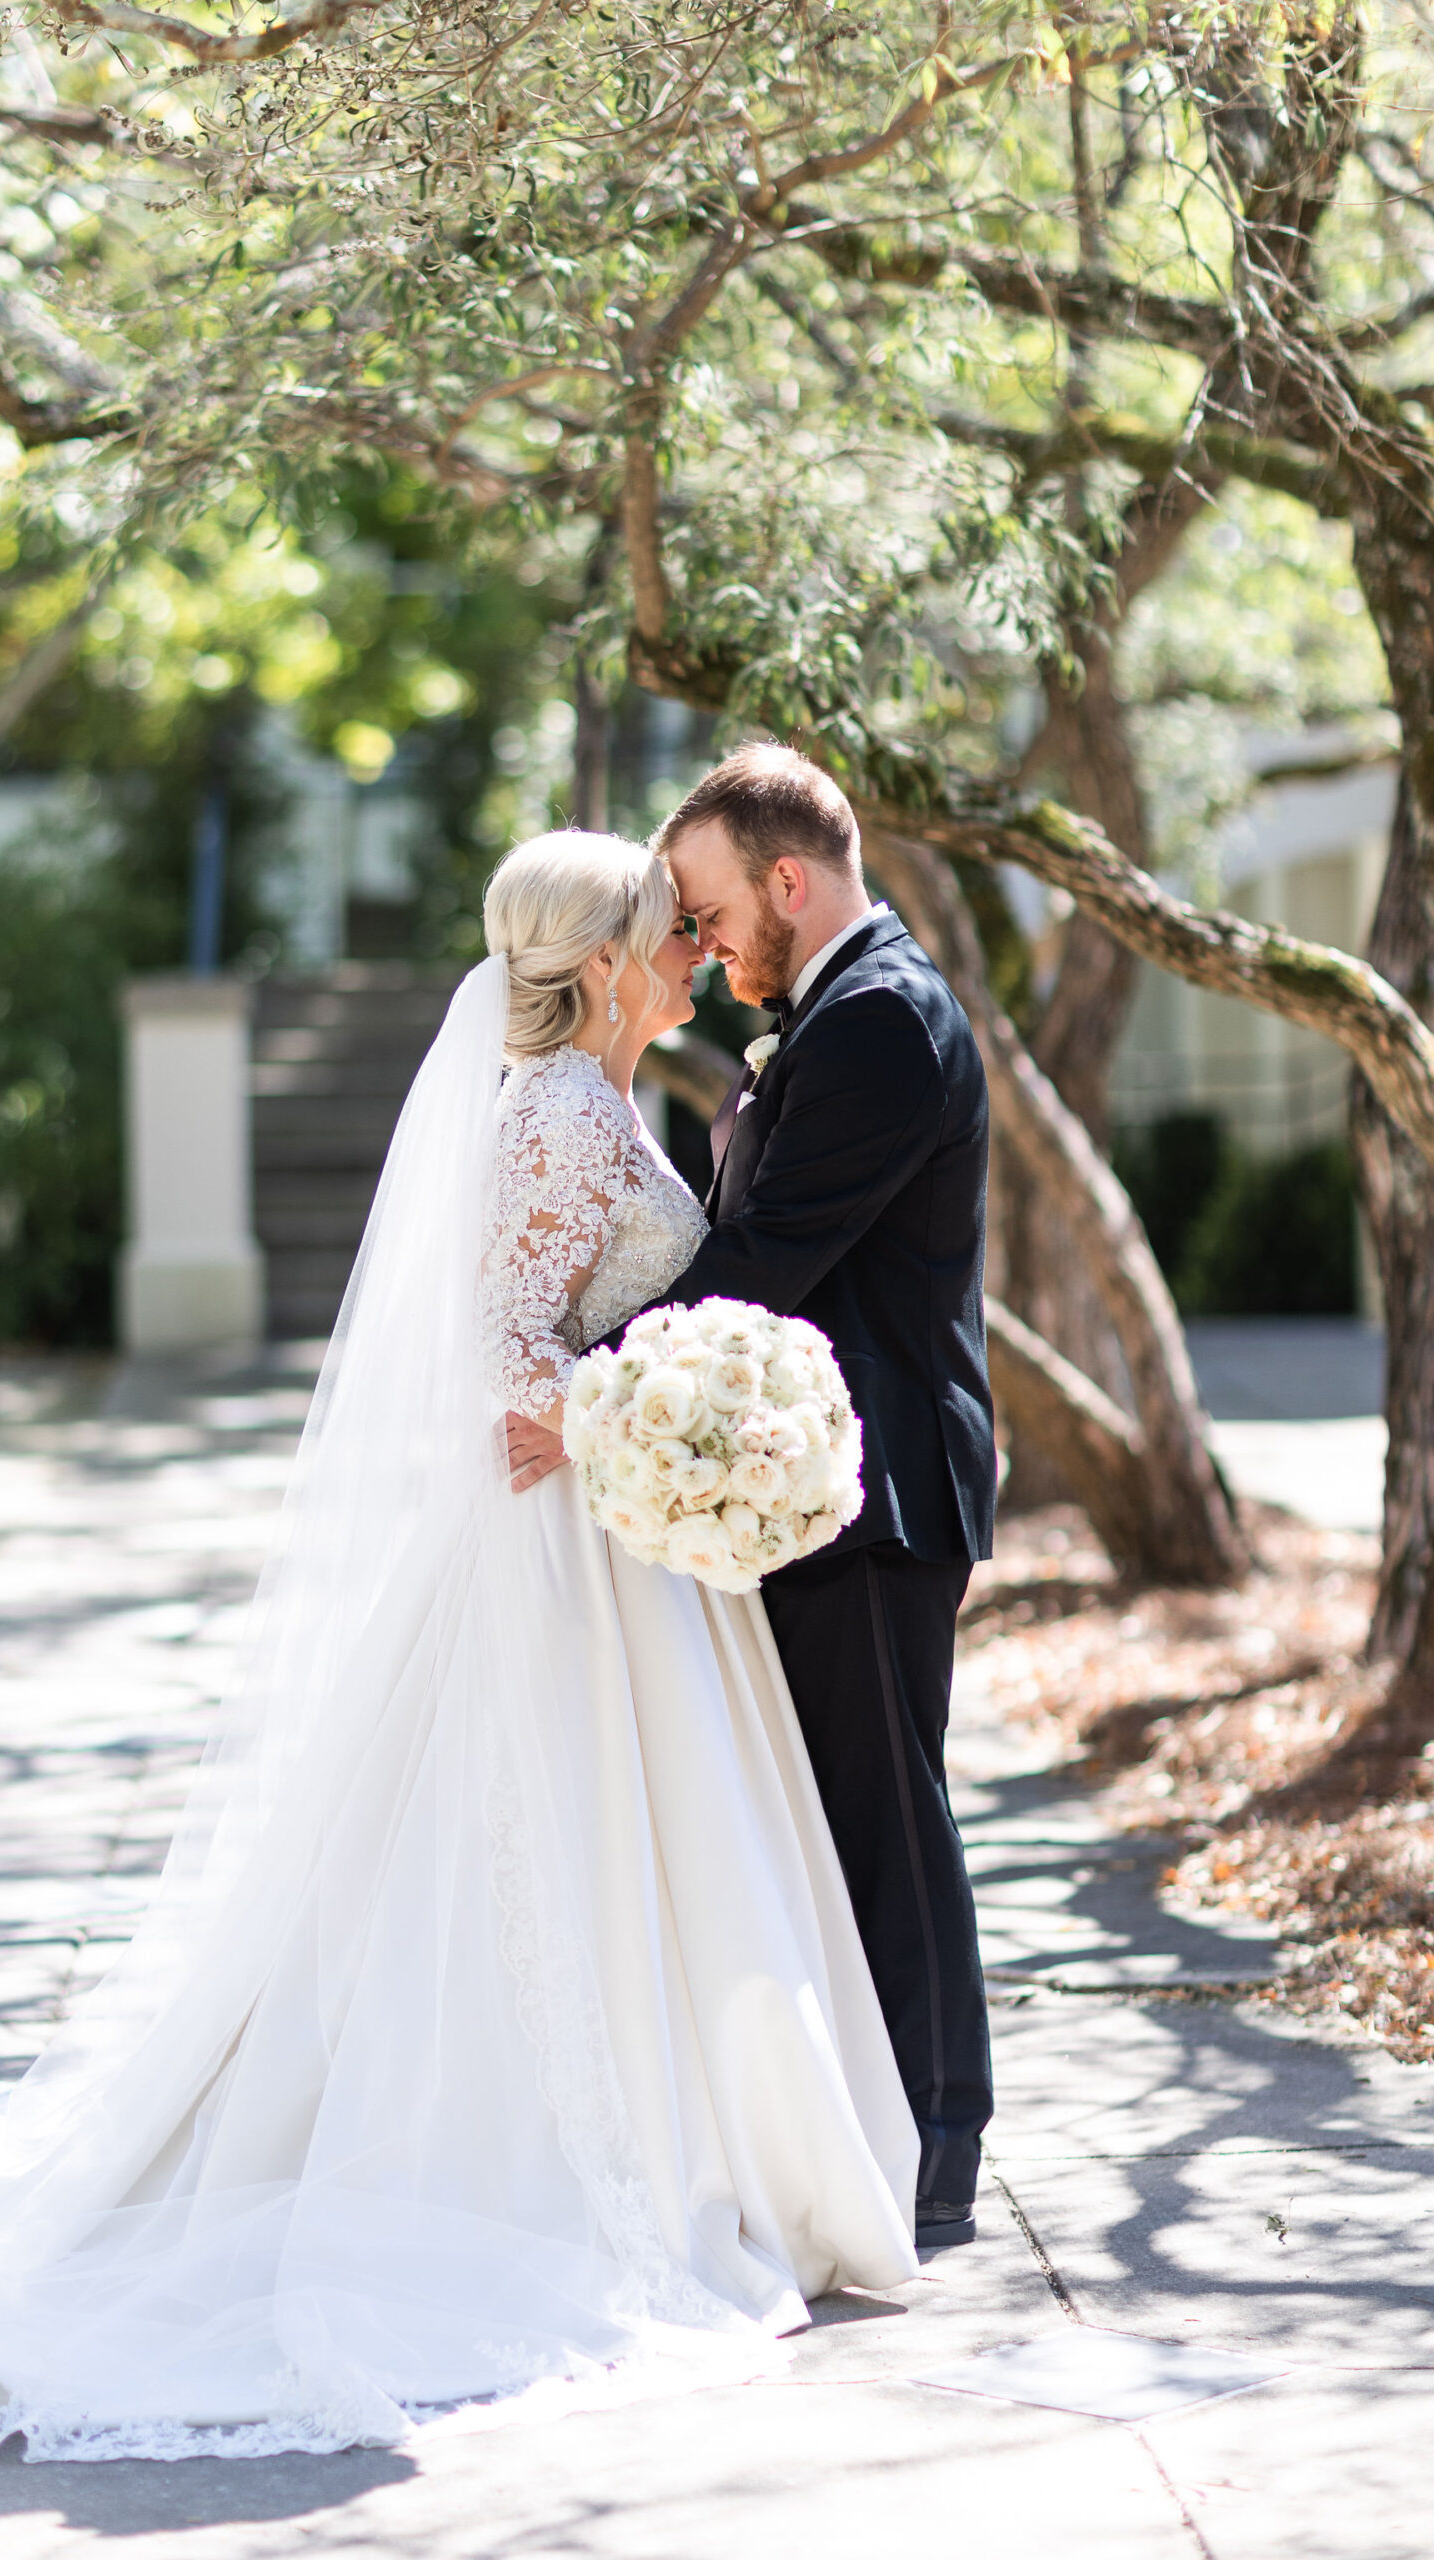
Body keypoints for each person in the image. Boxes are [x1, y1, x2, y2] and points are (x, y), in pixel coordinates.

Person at [0, 830, 918, 2472]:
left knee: (646, 1854)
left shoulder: (600, 1100)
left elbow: (584, 1319)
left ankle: (700, 2150)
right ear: (605, 963)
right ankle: (587, 2167)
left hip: (618, 1536)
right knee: (548, 1852)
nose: (694, 955)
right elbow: (496, 1341)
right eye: (667, 933)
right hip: (563, 1551)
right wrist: (628, 1415)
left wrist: (655, 1411)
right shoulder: (560, 1112)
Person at [508, 746, 996, 2247]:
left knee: (885, 1829)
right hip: (810, 1493)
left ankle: (929, 2154)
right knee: (834, 1828)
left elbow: (760, 1265)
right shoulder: (834, 1013)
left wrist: (591, 1391)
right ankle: (862, 2131)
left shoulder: (880, 1024)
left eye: (714, 912)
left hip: (876, 1496)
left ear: (789, 879)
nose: (704, 947)